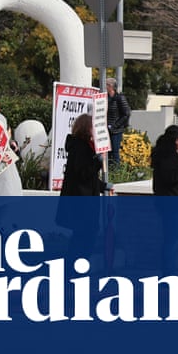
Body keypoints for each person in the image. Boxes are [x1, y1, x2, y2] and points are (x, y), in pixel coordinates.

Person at [57, 113, 106, 260]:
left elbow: (89, 177)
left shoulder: (83, 147)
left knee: (84, 237)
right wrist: (98, 161)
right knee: (82, 238)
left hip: (83, 200)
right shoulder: (80, 148)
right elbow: (84, 173)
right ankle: (73, 271)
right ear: (87, 128)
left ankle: (76, 269)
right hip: (81, 202)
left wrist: (103, 185)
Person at [150, 125, 178, 275]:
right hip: (174, 207)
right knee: (172, 243)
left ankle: (171, 272)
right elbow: (171, 177)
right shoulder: (168, 157)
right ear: (175, 140)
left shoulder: (173, 156)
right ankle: (169, 274)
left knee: (173, 241)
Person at [105, 78, 130, 168]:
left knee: (115, 152)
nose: (105, 86)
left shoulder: (119, 98)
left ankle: (116, 171)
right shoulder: (105, 97)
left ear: (111, 86)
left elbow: (126, 114)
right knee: (107, 152)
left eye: (106, 84)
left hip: (116, 131)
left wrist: (115, 125)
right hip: (106, 129)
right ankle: (108, 172)